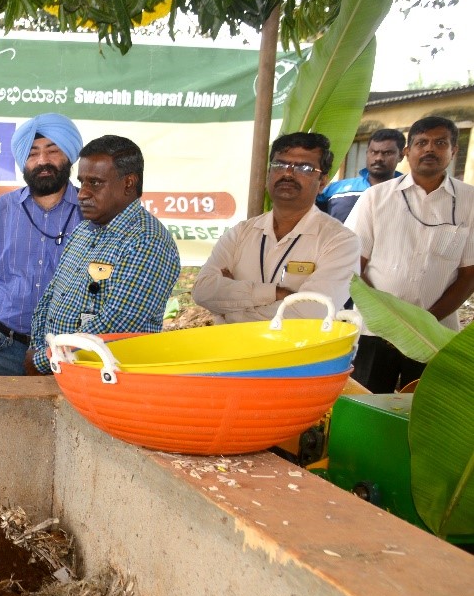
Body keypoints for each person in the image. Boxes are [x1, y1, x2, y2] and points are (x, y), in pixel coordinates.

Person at [29, 135, 180, 374]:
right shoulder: (83, 230)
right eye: (81, 182)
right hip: (60, 370)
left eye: (95, 183)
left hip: (105, 383)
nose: (82, 194)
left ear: (129, 184)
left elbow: (118, 326)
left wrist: (41, 361)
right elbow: (51, 297)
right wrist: (39, 350)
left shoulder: (147, 241)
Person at [346, 115, 474, 392]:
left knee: (426, 413)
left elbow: (468, 275)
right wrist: (390, 320)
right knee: (367, 407)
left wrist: (422, 323)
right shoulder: (375, 198)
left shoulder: (470, 201)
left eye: (440, 143)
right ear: (408, 152)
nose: (430, 149)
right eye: (421, 143)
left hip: (435, 334)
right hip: (375, 331)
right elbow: (354, 265)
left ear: (454, 151)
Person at [0, 113, 84, 376]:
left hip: (70, 354)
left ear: (70, 156)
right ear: (22, 161)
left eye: (53, 151)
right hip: (0, 348)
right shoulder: (1, 210)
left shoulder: (90, 212)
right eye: (32, 153)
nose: (43, 161)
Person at [192, 133, 360, 324]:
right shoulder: (241, 233)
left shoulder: (340, 241)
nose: (288, 173)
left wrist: (229, 312)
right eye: (280, 165)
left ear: (322, 181)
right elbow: (202, 291)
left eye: (304, 168)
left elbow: (309, 313)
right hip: (233, 351)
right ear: (268, 174)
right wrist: (275, 293)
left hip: (298, 352)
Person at [318, 128, 405, 224]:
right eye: (374, 152)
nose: (378, 158)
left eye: (387, 153)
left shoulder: (409, 192)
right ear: (367, 153)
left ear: (401, 156)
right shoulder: (336, 190)